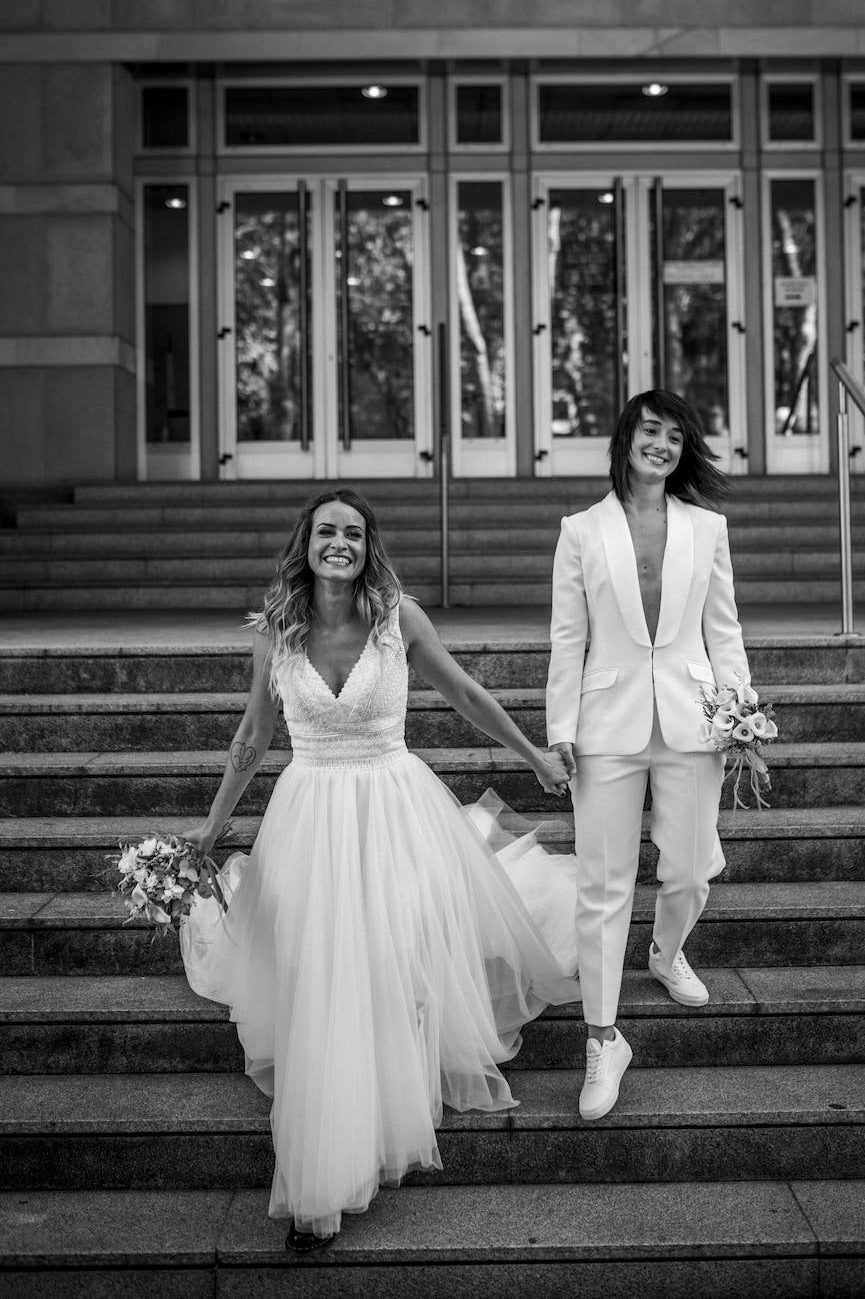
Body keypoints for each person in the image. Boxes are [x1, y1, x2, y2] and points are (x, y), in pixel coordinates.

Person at [179, 488, 579, 1249]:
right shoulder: (275, 634)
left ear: (368, 548)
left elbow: (461, 692)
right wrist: (211, 827)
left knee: (392, 955)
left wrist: (531, 755)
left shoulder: (400, 618)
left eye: (353, 533)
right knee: (326, 975)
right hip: (310, 818)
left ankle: (379, 1105)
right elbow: (251, 739)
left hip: (395, 808)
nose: (340, 542)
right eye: (327, 530)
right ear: (306, 542)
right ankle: (328, 1158)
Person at [546, 389, 750, 1122]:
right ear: (625, 438)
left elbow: (721, 630)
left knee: (692, 864)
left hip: (695, 718)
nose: (660, 444)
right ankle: (602, 1041)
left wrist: (741, 711)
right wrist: (558, 726)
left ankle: (666, 954)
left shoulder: (707, 527)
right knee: (602, 885)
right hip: (604, 724)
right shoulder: (579, 529)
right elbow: (568, 637)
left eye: (674, 435)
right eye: (649, 430)